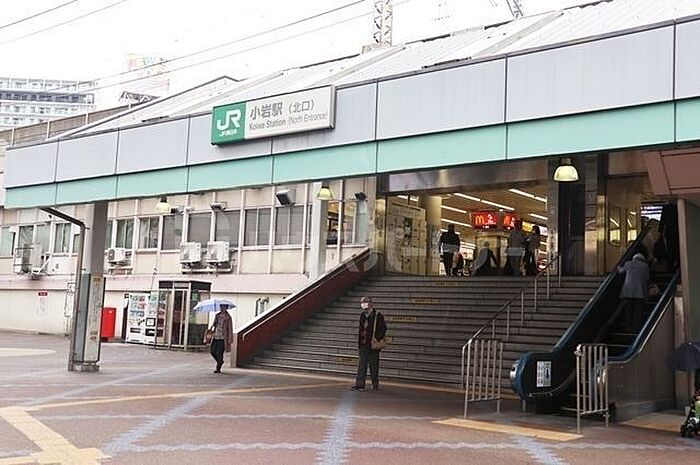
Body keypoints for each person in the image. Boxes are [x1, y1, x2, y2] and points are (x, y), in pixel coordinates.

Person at [351, 296, 386, 391]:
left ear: (371, 303)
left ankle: (375, 383)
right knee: (362, 365)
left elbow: (383, 329)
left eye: (365, 302)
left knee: (374, 365)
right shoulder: (362, 315)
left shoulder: (378, 315)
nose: (363, 304)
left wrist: (376, 338)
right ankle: (359, 385)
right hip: (363, 344)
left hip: (373, 345)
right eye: (362, 303)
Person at [617, 253, 650, 331]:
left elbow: (621, 271)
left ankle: (628, 327)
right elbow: (647, 279)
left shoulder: (628, 264)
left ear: (634, 258)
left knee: (628, 310)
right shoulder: (645, 266)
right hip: (640, 292)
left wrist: (618, 266)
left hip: (628, 291)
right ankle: (636, 327)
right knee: (638, 311)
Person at [210, 305, 234, 373]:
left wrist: (230, 338)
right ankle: (220, 361)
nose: (222, 308)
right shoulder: (217, 315)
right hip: (216, 336)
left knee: (220, 353)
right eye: (221, 307)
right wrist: (214, 323)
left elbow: (230, 328)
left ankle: (218, 368)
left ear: (226, 308)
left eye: (223, 307)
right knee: (212, 351)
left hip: (223, 337)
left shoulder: (228, 317)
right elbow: (214, 325)